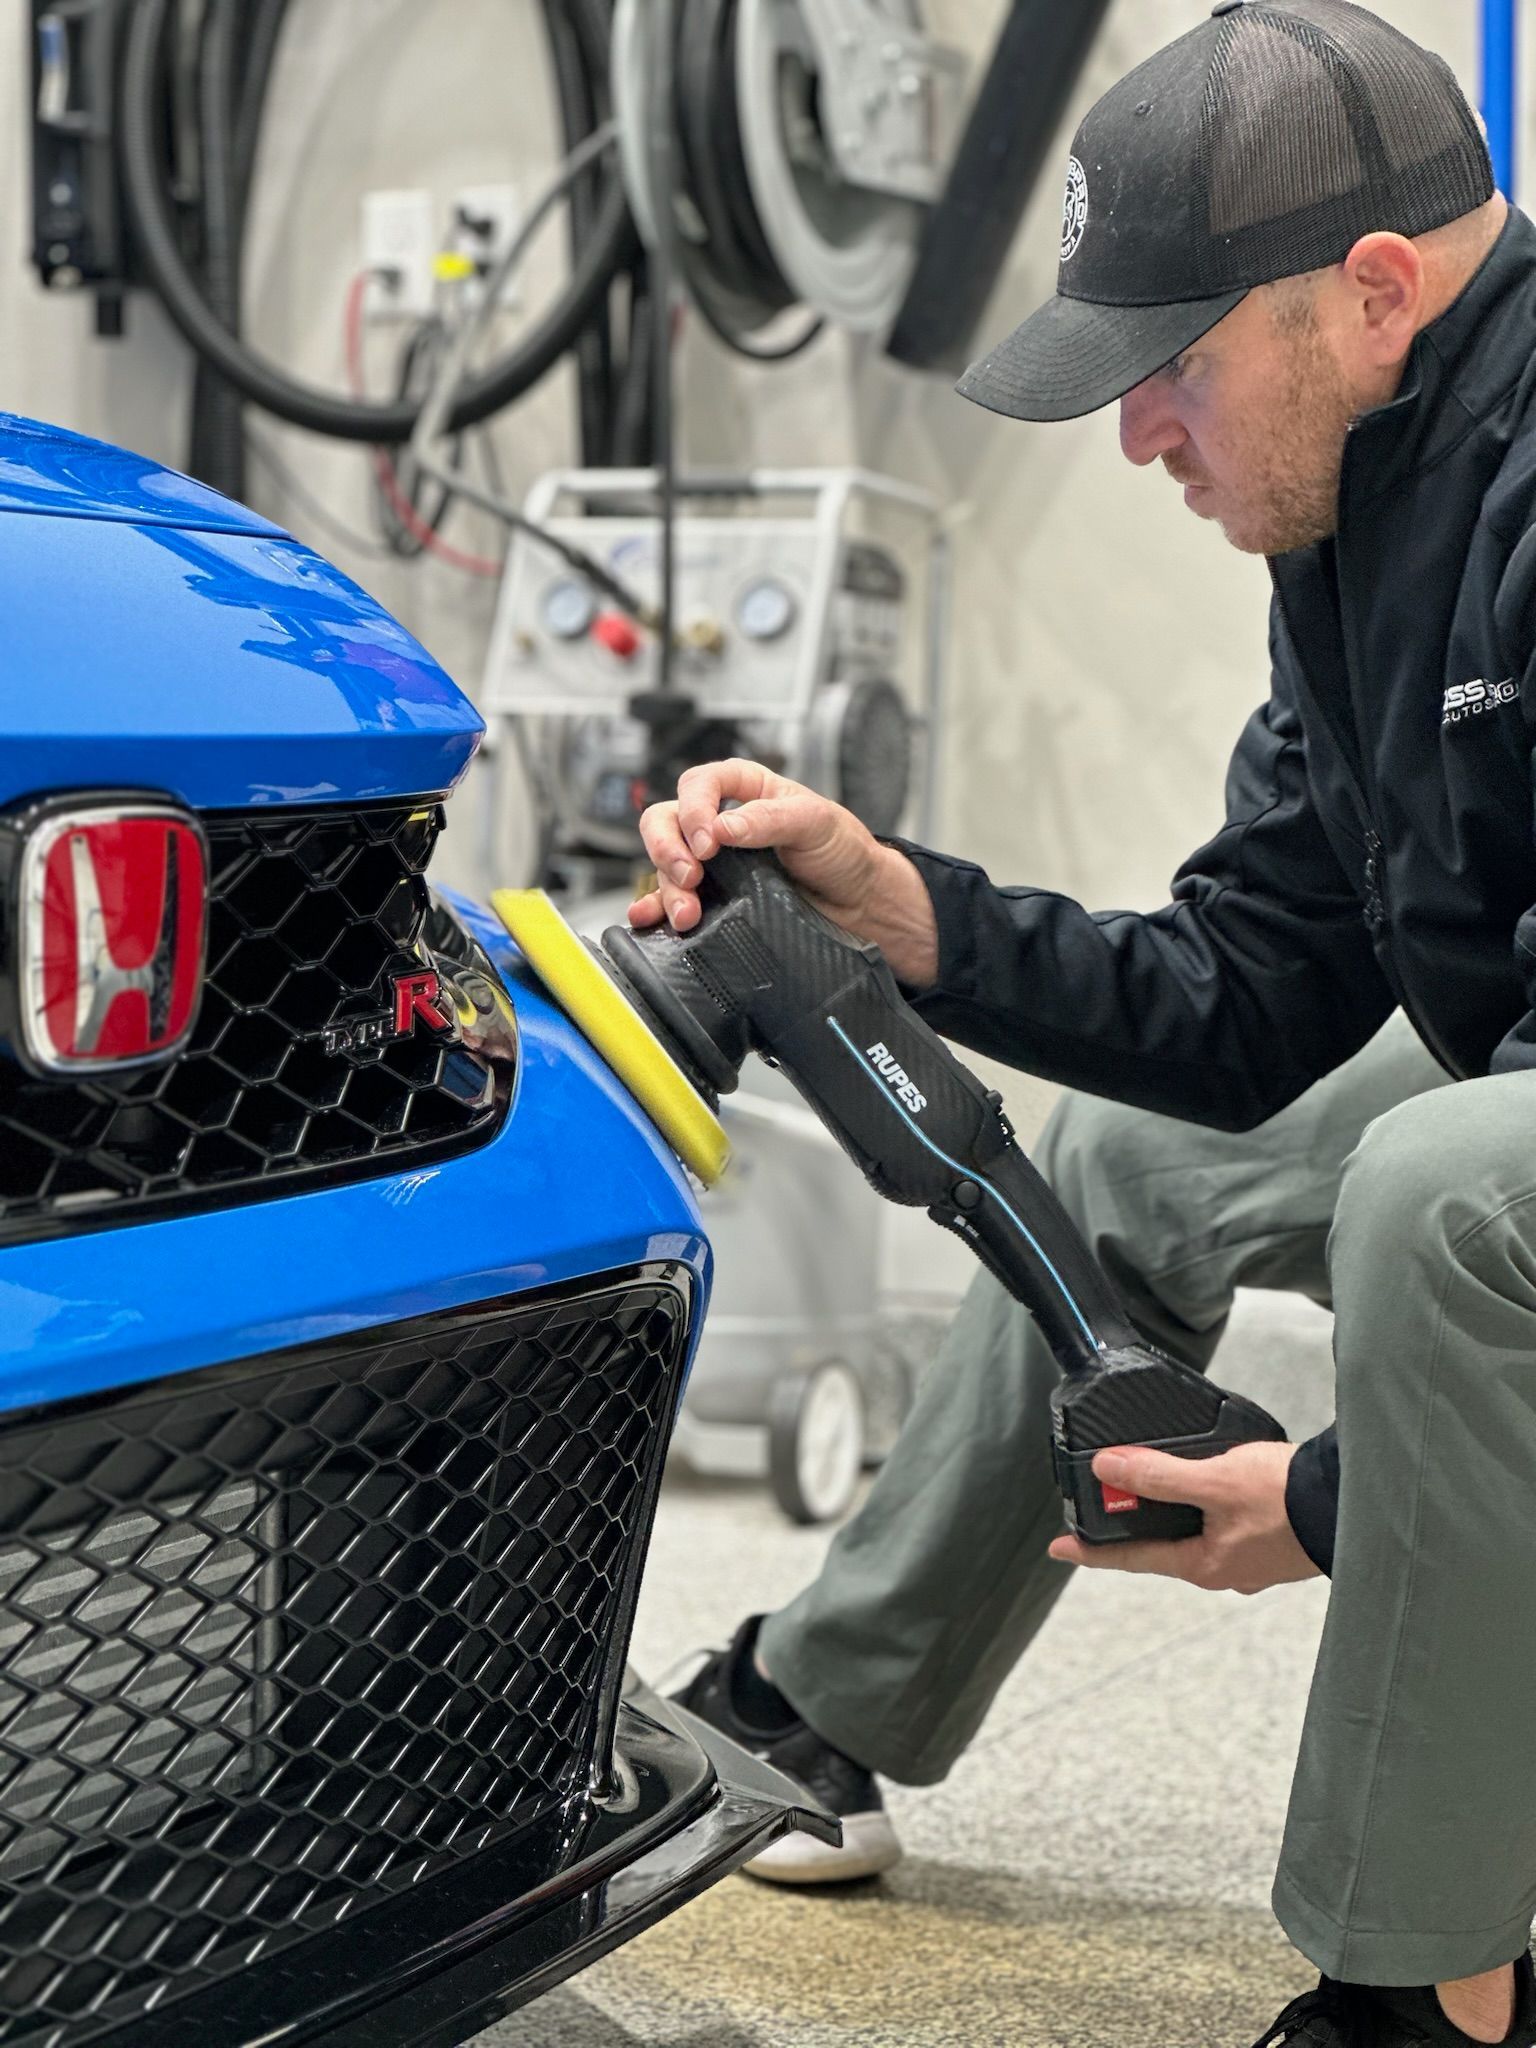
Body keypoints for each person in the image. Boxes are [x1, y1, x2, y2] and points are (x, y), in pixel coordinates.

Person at [632, 3, 1536, 2043]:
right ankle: (831, 1695)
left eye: (1172, 372)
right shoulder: (1370, 500)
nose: (1141, 438)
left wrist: (1319, 1503)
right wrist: (903, 904)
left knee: (1445, 1191)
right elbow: (1243, 999)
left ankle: (1427, 1980)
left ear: (1370, 288)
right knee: (1144, 1150)